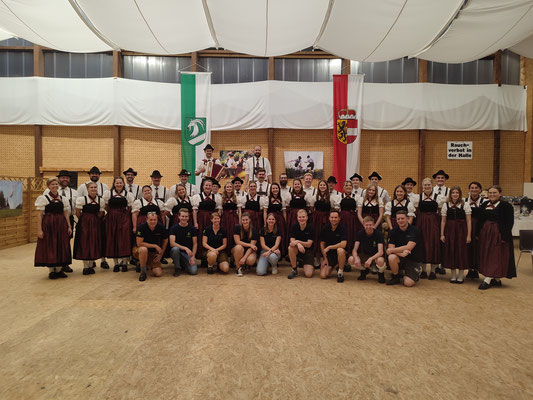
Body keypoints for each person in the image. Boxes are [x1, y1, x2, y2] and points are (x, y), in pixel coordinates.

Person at [477, 185, 516, 290]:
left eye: (494, 193)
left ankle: (488, 279)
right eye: (490, 193)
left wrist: (504, 236)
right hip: (486, 233)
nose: (492, 194)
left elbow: (509, 222)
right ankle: (496, 278)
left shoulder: (506, 206)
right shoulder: (485, 204)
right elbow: (480, 219)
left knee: (495, 255)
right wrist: (478, 233)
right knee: (487, 254)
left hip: (498, 234)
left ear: (500, 194)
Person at [34, 178, 72, 279]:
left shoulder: (63, 199)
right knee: (50, 245)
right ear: (48, 186)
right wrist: (39, 230)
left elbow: (66, 213)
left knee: (61, 245)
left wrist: (69, 226)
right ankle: (51, 271)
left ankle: (59, 270)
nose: (55, 186)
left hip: (61, 225)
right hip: (48, 225)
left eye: (56, 184)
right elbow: (39, 215)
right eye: (52, 184)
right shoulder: (44, 198)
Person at [44, 170, 77, 273]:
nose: (65, 179)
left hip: (68, 218)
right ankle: (53, 263)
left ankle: (64, 263)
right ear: (59, 179)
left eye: (67, 178)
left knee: (65, 242)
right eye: (63, 177)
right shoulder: (47, 192)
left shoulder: (74, 192)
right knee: (53, 241)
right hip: (52, 219)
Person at [77, 166, 110, 269]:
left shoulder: (105, 186)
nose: (94, 175)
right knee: (87, 241)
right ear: (89, 175)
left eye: (96, 173)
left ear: (99, 175)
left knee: (100, 239)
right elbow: (77, 205)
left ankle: (103, 260)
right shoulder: (82, 187)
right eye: (92, 173)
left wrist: (101, 215)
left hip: (99, 218)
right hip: (86, 219)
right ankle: (90, 260)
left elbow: (105, 203)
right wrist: (84, 218)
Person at [103, 176, 135, 272]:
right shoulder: (108, 193)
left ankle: (124, 263)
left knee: (124, 239)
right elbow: (106, 206)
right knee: (113, 239)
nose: (119, 184)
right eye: (117, 183)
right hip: (111, 219)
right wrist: (112, 213)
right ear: (114, 184)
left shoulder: (128, 194)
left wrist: (123, 214)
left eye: (120, 183)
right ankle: (116, 264)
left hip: (124, 218)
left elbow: (129, 207)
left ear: (123, 184)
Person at [440, 186, 472, 283]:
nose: (455, 194)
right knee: (451, 251)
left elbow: (469, 221)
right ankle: (453, 274)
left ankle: (461, 275)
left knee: (461, 251)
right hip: (450, 231)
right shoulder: (446, 205)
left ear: (460, 194)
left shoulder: (465, 204)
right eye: (453, 193)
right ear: (450, 194)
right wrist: (442, 234)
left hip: (461, 231)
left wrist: (468, 235)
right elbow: (443, 221)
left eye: (457, 193)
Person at [73, 182, 105, 275]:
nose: (93, 189)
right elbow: (77, 213)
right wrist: (85, 220)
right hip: (84, 224)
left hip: (95, 224)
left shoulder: (100, 200)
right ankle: (85, 266)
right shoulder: (82, 199)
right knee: (84, 243)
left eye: (95, 187)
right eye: (91, 187)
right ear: (87, 189)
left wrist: (95, 220)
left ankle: (91, 265)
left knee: (93, 243)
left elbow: (101, 213)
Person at [416, 177, 445, 279]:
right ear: (422, 186)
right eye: (425, 185)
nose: (427, 186)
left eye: (429, 185)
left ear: (432, 186)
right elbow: (416, 211)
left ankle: (433, 271)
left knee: (433, 244)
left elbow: (440, 212)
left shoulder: (438, 197)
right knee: (422, 244)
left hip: (434, 222)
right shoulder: (418, 197)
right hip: (421, 222)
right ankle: (423, 270)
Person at [386, 210, 423, 287]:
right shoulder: (392, 231)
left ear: (407, 219)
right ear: (396, 220)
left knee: (408, 283)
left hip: (413, 259)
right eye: (398, 219)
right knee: (391, 257)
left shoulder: (415, 230)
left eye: (402, 218)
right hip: (400, 257)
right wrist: (401, 254)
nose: (400, 220)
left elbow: (408, 247)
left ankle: (414, 272)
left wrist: (392, 250)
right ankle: (396, 276)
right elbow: (391, 247)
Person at [307, 179, 336, 266]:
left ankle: (326, 258)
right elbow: (311, 208)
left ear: (327, 187)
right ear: (318, 187)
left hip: (326, 219)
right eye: (321, 185)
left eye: (324, 185)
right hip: (316, 220)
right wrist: (317, 215)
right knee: (317, 237)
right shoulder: (314, 197)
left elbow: (332, 209)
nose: (322, 187)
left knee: (325, 237)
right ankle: (318, 259)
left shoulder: (331, 198)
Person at [349, 216, 386, 283]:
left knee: (380, 261)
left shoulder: (379, 234)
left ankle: (380, 273)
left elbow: (380, 252)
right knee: (351, 259)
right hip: (364, 255)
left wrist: (370, 259)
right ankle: (364, 270)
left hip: (376, 256)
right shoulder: (360, 233)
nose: (368, 227)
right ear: (363, 225)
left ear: (374, 224)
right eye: (366, 225)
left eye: (370, 225)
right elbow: (354, 250)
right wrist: (356, 258)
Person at [191, 177, 222, 257]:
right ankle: (201, 255)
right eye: (206, 185)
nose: (208, 187)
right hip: (201, 219)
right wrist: (195, 223)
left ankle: (212, 254)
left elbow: (219, 210)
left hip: (212, 219)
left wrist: (217, 220)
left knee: (211, 235)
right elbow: (194, 211)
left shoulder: (217, 197)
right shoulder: (197, 197)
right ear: (203, 186)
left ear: (212, 187)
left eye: (209, 185)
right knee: (201, 235)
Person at [135, 212, 169, 282]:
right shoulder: (141, 227)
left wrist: (161, 254)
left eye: (154, 220)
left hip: (153, 252)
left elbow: (165, 240)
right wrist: (155, 246)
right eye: (151, 220)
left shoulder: (161, 227)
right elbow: (139, 243)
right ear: (147, 220)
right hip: (140, 250)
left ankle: (145, 263)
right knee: (143, 249)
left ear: (157, 220)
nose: (153, 221)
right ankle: (143, 272)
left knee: (158, 273)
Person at [465, 181, 487, 280]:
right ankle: (470, 269)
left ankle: (477, 269)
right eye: (472, 188)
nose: (474, 189)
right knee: (468, 248)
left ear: (480, 190)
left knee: (478, 248)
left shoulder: (484, 201)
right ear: (469, 190)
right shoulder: (464, 201)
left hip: (479, 227)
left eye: (476, 187)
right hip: (467, 227)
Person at [319, 210, 347, 282]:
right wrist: (325, 258)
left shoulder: (343, 228)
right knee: (323, 275)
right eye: (332, 217)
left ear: (339, 218)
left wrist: (329, 247)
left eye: (335, 217)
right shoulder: (325, 228)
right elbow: (322, 244)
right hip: (329, 255)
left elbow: (343, 244)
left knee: (340, 250)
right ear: (329, 218)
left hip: (340, 254)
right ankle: (337, 266)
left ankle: (340, 272)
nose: (334, 219)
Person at [169, 208, 198, 276]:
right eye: (182, 216)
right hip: (177, 252)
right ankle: (177, 268)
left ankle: (183, 264)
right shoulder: (173, 228)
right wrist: (185, 248)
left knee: (193, 271)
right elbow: (172, 243)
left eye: (186, 216)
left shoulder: (192, 229)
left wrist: (193, 257)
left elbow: (195, 244)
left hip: (188, 254)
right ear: (179, 217)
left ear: (188, 217)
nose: (184, 218)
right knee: (175, 249)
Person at [261, 183, 287, 256]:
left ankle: (280, 253)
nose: (275, 190)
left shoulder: (282, 199)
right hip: (271, 219)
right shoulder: (267, 199)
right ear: (271, 190)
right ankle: (269, 251)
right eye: (273, 188)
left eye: (276, 188)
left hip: (280, 219)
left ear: (279, 189)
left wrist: (285, 222)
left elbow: (284, 212)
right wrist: (265, 222)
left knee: (280, 235)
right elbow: (265, 211)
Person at [287, 209, 315, 279]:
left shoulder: (311, 228)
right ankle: (294, 269)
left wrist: (298, 242)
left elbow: (309, 244)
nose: (301, 219)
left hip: (308, 252)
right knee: (290, 248)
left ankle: (305, 263)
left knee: (308, 275)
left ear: (307, 217)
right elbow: (292, 242)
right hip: (298, 250)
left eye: (303, 217)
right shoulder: (294, 226)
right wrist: (298, 244)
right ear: (297, 218)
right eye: (300, 217)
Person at [232, 212, 259, 277]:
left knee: (251, 261)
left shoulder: (254, 230)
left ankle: (244, 264)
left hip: (249, 251)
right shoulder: (237, 227)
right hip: (238, 250)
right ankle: (238, 268)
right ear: (241, 220)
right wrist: (250, 245)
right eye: (243, 220)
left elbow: (251, 248)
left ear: (250, 220)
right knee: (239, 247)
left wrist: (244, 258)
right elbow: (237, 242)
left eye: (246, 220)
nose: (245, 221)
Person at [337, 180, 359, 254]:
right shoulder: (339, 196)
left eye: (350, 185)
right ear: (343, 187)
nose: (348, 187)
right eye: (346, 185)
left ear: (352, 187)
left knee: (352, 234)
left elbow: (358, 209)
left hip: (352, 219)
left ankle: (351, 251)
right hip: (342, 219)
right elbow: (337, 209)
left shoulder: (357, 197)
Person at [221, 181, 241, 248]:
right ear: (225, 188)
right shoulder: (222, 198)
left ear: (232, 188)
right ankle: (226, 249)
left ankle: (233, 248)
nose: (229, 188)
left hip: (234, 217)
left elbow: (239, 211)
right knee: (225, 232)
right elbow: (220, 210)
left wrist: (240, 221)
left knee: (233, 232)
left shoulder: (236, 198)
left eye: (230, 187)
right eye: (227, 187)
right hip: (225, 218)